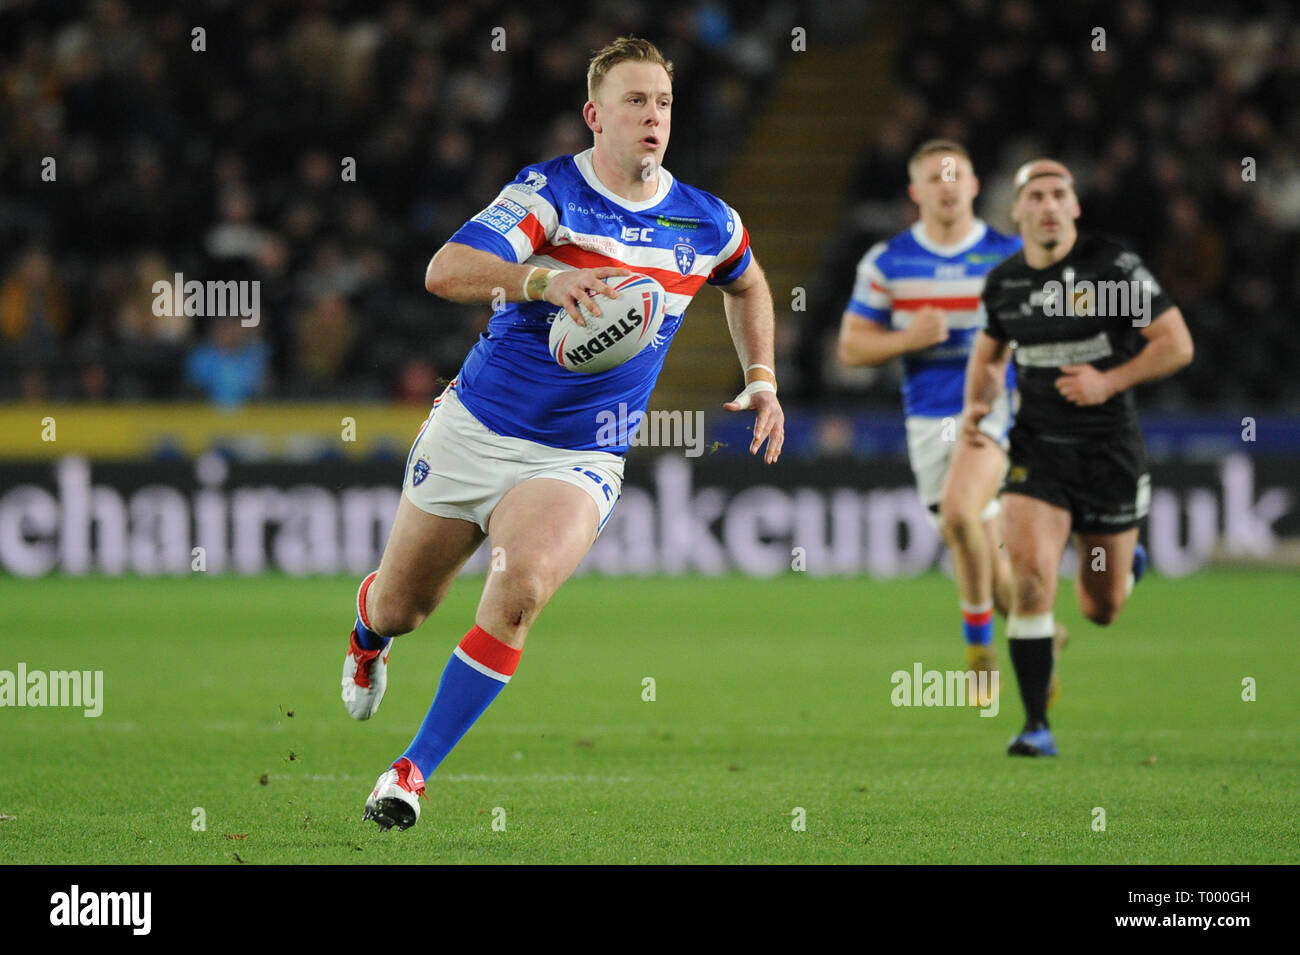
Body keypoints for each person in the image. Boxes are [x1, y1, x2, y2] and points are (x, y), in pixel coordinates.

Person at [340, 36, 785, 830]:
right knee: (407, 605)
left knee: (520, 593)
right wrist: (545, 276)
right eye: (635, 102)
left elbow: (748, 283)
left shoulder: (707, 219)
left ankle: (410, 772)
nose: (654, 117)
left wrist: (762, 380)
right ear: (595, 116)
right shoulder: (549, 194)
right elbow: (444, 270)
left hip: (581, 452)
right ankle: (368, 635)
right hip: (476, 427)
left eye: (664, 103)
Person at [963, 158, 1194, 756]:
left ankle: (1126, 567)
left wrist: (1108, 382)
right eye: (1034, 195)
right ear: (1016, 213)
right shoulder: (1006, 282)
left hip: (1108, 452)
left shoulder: (1112, 269)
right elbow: (988, 354)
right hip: (1036, 451)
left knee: (1100, 608)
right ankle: (1037, 725)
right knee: (1033, 582)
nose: (1047, 204)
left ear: (1074, 207)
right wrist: (975, 406)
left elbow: (1176, 344)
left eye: (1058, 193)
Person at [838, 139, 1034, 702]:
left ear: (974, 186)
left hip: (993, 410)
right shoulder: (889, 260)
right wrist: (907, 338)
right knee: (975, 544)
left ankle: (979, 654)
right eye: (935, 177)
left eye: (957, 176)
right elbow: (851, 348)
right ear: (915, 192)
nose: (947, 186)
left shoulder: (1008, 257)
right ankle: (1039, 630)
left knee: (958, 512)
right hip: (927, 419)